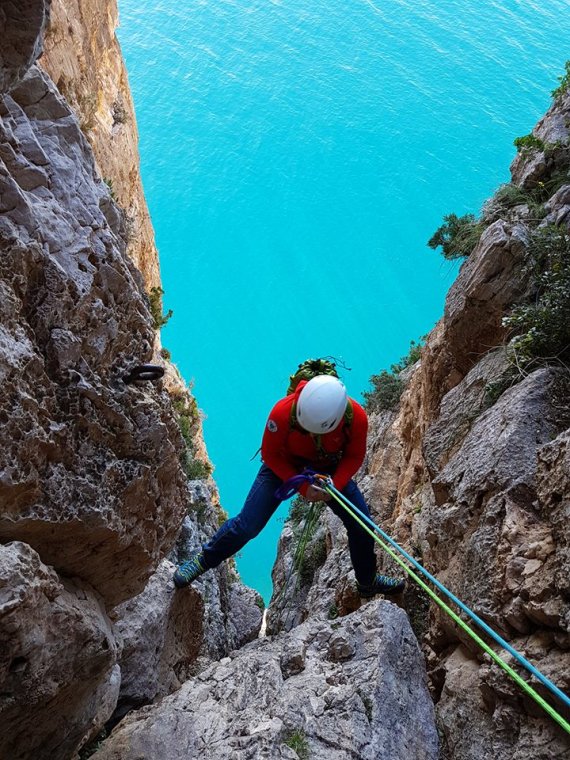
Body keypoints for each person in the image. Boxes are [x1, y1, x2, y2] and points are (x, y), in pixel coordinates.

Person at [173, 375, 405, 597]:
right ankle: (202, 560)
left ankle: (367, 582)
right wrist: (303, 488)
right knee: (247, 526)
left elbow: (354, 456)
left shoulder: (356, 418)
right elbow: (271, 454)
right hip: (283, 465)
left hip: (329, 472)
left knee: (362, 526)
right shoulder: (283, 412)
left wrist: (336, 483)